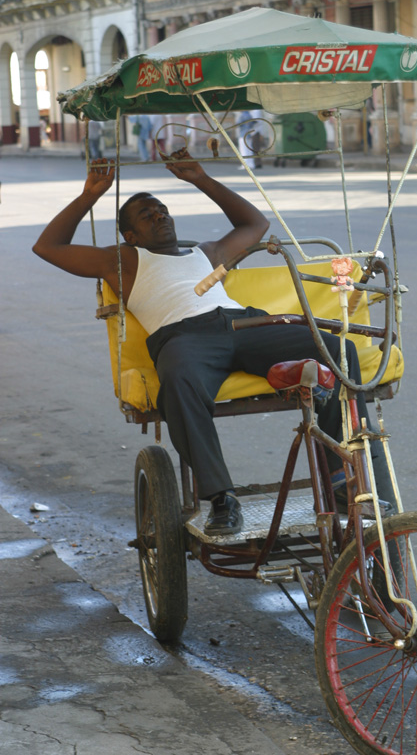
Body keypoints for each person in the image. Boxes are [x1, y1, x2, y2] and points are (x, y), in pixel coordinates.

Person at [32, 149, 395, 535]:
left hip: (244, 325)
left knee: (339, 351)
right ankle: (222, 498)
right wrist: (91, 194)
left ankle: (340, 476)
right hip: (184, 338)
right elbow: (48, 248)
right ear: (131, 235)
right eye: (147, 215)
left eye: (162, 210)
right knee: (178, 384)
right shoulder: (121, 261)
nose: (160, 216)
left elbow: (255, 224)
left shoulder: (206, 252)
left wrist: (200, 179)